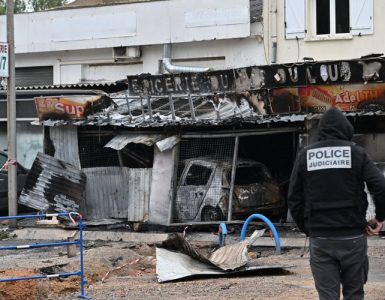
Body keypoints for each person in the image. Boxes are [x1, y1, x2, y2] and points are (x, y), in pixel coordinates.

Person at [288, 107, 385, 300]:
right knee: (354, 294)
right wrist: (380, 218)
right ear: (346, 129)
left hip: (321, 239)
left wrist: (308, 228)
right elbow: (381, 187)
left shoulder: (306, 155)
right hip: (353, 238)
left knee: (328, 297)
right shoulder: (357, 153)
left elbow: (293, 198)